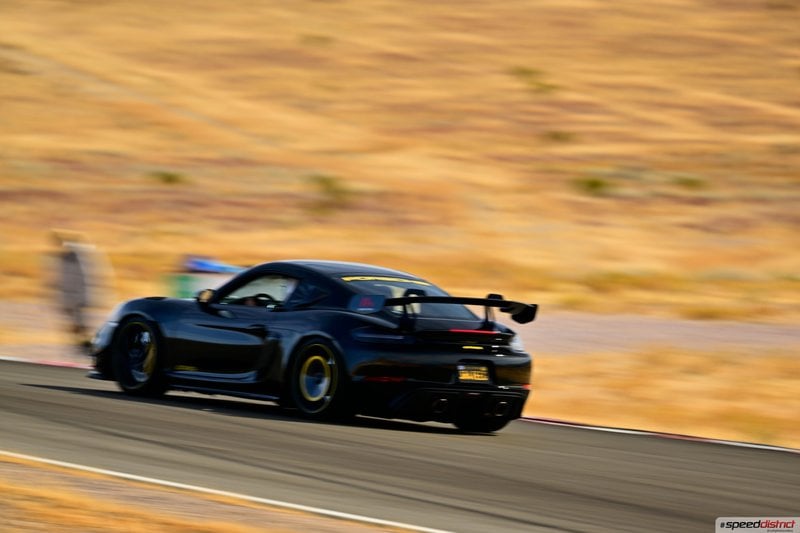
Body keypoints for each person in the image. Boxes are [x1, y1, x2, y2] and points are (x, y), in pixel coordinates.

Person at [51, 231, 111, 353]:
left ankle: (87, 344)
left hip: (77, 297)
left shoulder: (75, 258)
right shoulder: (74, 258)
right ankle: (83, 343)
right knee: (77, 321)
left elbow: (75, 279)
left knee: (80, 322)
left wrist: (69, 299)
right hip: (75, 297)